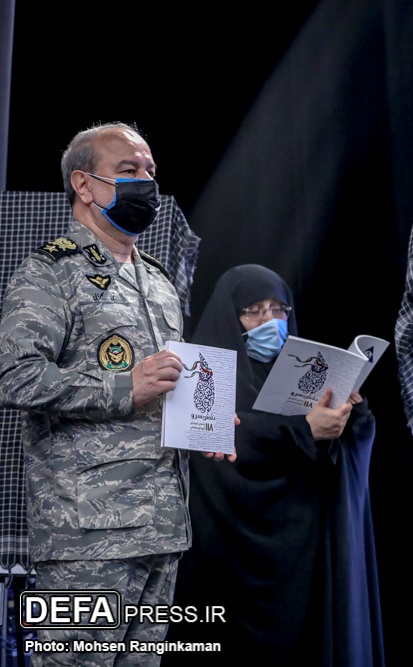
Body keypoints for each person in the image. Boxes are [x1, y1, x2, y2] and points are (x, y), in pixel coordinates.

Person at [0, 121, 234, 666]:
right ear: (84, 185)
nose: (145, 183)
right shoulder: (49, 271)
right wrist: (125, 385)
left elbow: (163, 383)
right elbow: (15, 376)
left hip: (161, 528)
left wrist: (204, 417)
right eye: (128, 171)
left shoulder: (158, 280)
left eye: (150, 171)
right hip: (84, 536)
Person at [164, 264, 384, 666]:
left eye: (279, 309)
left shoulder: (303, 373)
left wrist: (350, 414)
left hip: (301, 555)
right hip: (228, 558)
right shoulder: (200, 374)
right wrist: (303, 430)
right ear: (229, 316)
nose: (269, 321)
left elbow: (336, 450)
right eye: (253, 310)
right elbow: (215, 443)